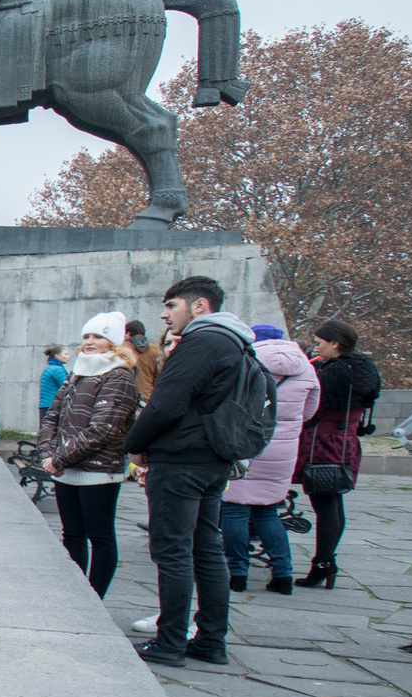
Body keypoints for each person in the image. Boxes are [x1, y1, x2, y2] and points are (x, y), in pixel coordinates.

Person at [121, 276, 254, 667]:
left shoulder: (201, 342)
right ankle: (211, 641)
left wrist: (135, 446)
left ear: (199, 307)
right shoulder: (237, 342)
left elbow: (165, 404)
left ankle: (170, 642)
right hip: (213, 458)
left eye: (171, 306)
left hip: (182, 460)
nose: (164, 316)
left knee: (173, 551)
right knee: (206, 549)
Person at [36, 313, 140, 596]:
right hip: (66, 469)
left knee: (101, 537)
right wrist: (48, 453)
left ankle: (94, 597)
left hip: (98, 471)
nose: (90, 342)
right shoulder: (77, 372)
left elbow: (102, 429)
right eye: (86, 337)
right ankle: (75, 593)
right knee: (72, 534)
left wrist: (57, 459)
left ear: (114, 342)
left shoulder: (119, 376)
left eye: (98, 337)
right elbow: (52, 416)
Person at [222, 325, 318, 594]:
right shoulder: (306, 366)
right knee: (268, 510)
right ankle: (283, 575)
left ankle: (238, 574)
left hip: (248, 443)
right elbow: (310, 411)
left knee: (234, 508)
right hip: (284, 449)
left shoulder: (246, 361)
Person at [295, 320, 384, 588]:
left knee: (324, 506)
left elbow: (312, 404)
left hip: (324, 443)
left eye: (320, 342)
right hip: (347, 444)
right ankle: (326, 561)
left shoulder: (334, 371)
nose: (316, 346)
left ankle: (322, 564)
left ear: (335, 343)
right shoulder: (365, 369)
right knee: (334, 504)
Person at [123, 319, 163, 399]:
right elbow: (157, 376)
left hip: (128, 395)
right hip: (147, 396)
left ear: (128, 334)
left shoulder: (122, 347)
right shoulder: (154, 349)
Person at [38, 345, 67, 423]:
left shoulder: (49, 368)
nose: (69, 357)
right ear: (57, 356)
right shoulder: (57, 369)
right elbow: (66, 387)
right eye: (66, 354)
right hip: (53, 405)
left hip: (45, 405)